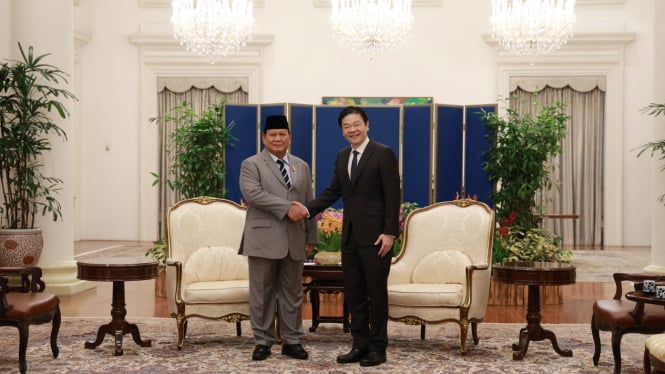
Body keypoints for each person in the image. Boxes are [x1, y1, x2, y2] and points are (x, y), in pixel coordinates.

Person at [300, 105, 401, 367]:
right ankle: (360, 344)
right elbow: (334, 191)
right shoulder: (342, 156)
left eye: (356, 124)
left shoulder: (383, 154)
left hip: (378, 239)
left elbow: (393, 195)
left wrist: (390, 232)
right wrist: (306, 209)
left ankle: (378, 349)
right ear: (342, 131)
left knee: (376, 295)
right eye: (347, 126)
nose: (352, 129)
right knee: (354, 294)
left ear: (367, 125)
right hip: (351, 238)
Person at [238, 114, 317, 361]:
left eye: (282, 134)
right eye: (272, 134)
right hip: (263, 239)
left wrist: (311, 235)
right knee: (262, 293)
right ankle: (263, 341)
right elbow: (254, 195)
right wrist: (287, 208)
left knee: (293, 293)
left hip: (295, 239)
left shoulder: (301, 165)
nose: (278, 138)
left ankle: (292, 341)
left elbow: (308, 203)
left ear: (289, 137)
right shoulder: (251, 164)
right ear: (264, 138)